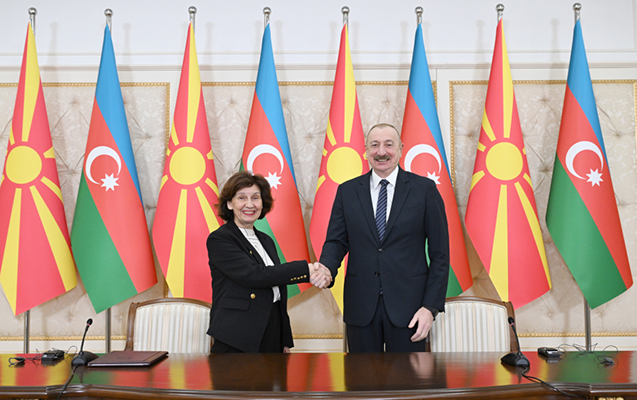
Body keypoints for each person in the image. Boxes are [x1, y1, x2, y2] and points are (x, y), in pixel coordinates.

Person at [318, 123, 450, 352]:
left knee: (409, 374)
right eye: (374, 145)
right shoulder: (347, 191)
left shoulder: (424, 189)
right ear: (366, 150)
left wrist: (430, 307)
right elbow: (336, 241)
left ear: (400, 148)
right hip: (361, 306)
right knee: (362, 375)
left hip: (411, 309)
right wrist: (327, 268)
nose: (381, 152)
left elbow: (440, 254)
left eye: (388, 145)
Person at [207, 171, 331, 353]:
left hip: (271, 329)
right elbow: (254, 275)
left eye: (255, 198)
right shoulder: (220, 239)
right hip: (237, 335)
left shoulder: (266, 240)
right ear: (229, 204)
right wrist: (307, 269)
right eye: (242, 198)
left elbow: (277, 288)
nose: (250, 204)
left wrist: (284, 339)